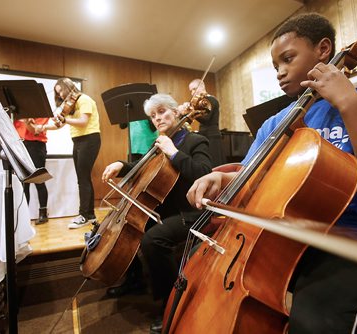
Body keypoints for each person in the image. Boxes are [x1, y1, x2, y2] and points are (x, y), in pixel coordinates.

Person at [186, 13, 357, 334]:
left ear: (323, 49)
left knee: (314, 323)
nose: (280, 72)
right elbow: (254, 175)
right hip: (283, 236)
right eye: (275, 67)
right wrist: (222, 179)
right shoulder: (276, 123)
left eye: (287, 59)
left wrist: (348, 103)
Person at [101, 93, 212, 334]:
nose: (157, 118)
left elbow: (205, 173)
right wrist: (122, 165)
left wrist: (174, 153)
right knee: (126, 228)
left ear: (176, 112)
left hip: (190, 211)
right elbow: (143, 168)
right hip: (163, 209)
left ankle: (172, 301)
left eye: (162, 112)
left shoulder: (196, 141)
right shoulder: (158, 143)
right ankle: (135, 280)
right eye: (153, 116)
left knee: (153, 239)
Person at [42, 78, 101, 229]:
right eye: (58, 93)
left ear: (68, 87)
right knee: (84, 177)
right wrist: (42, 128)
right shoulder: (69, 106)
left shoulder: (84, 99)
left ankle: (83, 215)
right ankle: (90, 215)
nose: (60, 95)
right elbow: (58, 125)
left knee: (82, 178)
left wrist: (65, 120)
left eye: (61, 90)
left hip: (90, 139)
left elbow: (83, 122)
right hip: (78, 141)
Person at [14, 117, 50, 224]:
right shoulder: (18, 112)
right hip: (20, 145)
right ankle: (24, 216)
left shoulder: (40, 110)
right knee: (24, 182)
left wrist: (25, 121)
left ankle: (43, 213)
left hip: (36, 145)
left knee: (39, 180)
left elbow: (34, 131)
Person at [184, 78, 225, 167]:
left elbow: (206, 119)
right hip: (204, 135)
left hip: (212, 136)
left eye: (194, 89)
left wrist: (192, 112)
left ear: (202, 87)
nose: (192, 93)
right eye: (191, 91)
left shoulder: (211, 100)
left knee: (215, 165)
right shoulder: (201, 102)